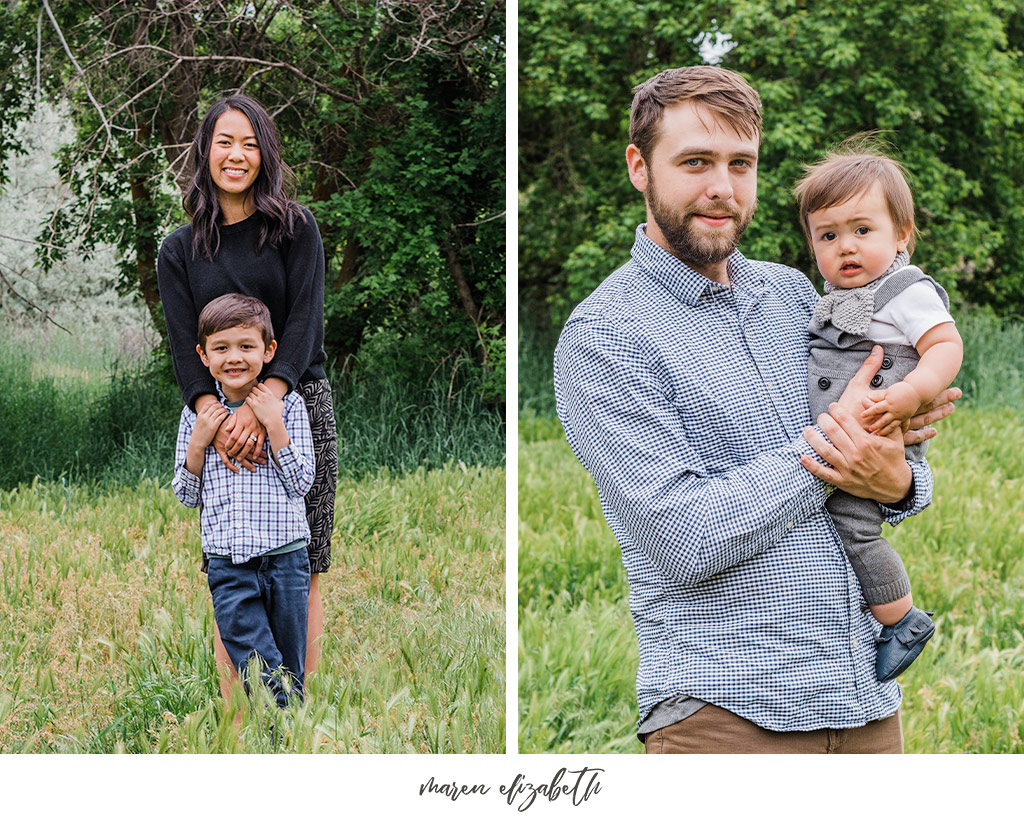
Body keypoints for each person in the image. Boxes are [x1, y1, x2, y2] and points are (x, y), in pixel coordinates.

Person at [553, 65, 959, 754]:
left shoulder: (798, 296)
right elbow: (687, 538)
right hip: (726, 717)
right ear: (639, 167)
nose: (722, 186)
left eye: (741, 164)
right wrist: (837, 445)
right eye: (695, 162)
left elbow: (888, 478)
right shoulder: (605, 338)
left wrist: (898, 478)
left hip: (864, 702)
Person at [157, 94, 337, 701]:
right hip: (214, 411)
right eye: (224, 142)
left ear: (265, 154)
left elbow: (307, 320)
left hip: (294, 402)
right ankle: (237, 709)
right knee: (227, 566)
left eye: (250, 143)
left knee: (302, 561)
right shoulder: (179, 249)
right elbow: (185, 348)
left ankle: (300, 705)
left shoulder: (295, 227)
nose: (236, 156)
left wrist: (269, 408)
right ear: (205, 151)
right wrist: (215, 416)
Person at [794, 140, 963, 682]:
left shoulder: (904, 291)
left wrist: (911, 394)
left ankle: (901, 619)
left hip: (881, 427)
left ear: (901, 237)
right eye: (828, 235)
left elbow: (945, 346)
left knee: (855, 526)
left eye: (862, 230)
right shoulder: (822, 297)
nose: (846, 246)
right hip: (850, 434)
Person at [172, 293, 315, 707]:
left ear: (269, 351)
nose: (234, 358)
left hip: (286, 557)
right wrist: (198, 445)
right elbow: (185, 494)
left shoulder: (287, 406)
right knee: (252, 657)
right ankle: (289, 724)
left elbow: (303, 482)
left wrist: (275, 428)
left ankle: (286, 741)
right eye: (221, 348)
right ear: (202, 355)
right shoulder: (196, 415)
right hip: (228, 563)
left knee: (290, 661)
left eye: (246, 346)